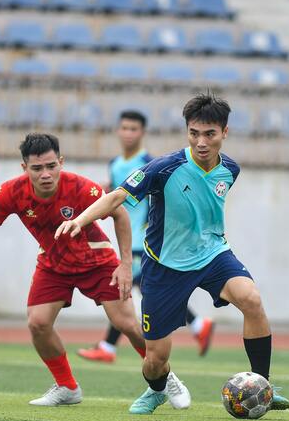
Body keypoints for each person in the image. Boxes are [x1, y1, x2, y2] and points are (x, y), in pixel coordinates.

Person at [57, 93, 289, 414]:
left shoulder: (230, 170)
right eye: (194, 133)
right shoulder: (164, 168)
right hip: (164, 265)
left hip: (212, 254)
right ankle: (157, 390)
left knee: (251, 299)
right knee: (155, 360)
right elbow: (116, 197)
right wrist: (80, 220)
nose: (201, 142)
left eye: (209, 134)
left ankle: (262, 386)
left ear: (225, 132)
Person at [0, 133, 191, 408]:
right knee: (38, 323)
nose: (45, 174)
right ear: (24, 168)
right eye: (37, 168)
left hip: (97, 262)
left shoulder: (81, 187)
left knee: (127, 325)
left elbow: (120, 214)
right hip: (53, 264)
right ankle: (67, 387)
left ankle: (165, 377)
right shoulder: (10, 192)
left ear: (61, 162)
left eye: (51, 166)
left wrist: (125, 264)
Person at [78, 110, 215, 364]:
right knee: (135, 287)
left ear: (142, 132)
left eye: (134, 129)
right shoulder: (115, 163)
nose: (128, 133)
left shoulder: (150, 163)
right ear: (117, 131)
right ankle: (198, 325)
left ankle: (108, 346)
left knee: (124, 286)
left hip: (143, 239)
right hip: (125, 237)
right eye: (124, 128)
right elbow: (121, 194)